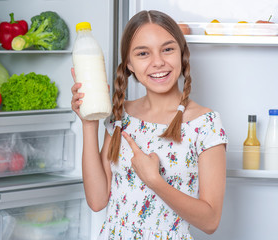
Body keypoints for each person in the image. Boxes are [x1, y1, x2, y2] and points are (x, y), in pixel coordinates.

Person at [71, 10, 228, 240]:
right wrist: (89, 124)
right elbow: (97, 201)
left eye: (167, 49)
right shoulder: (120, 115)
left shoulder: (206, 124)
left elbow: (211, 221)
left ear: (182, 54)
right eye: (143, 53)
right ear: (130, 64)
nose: (158, 62)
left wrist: (154, 181)